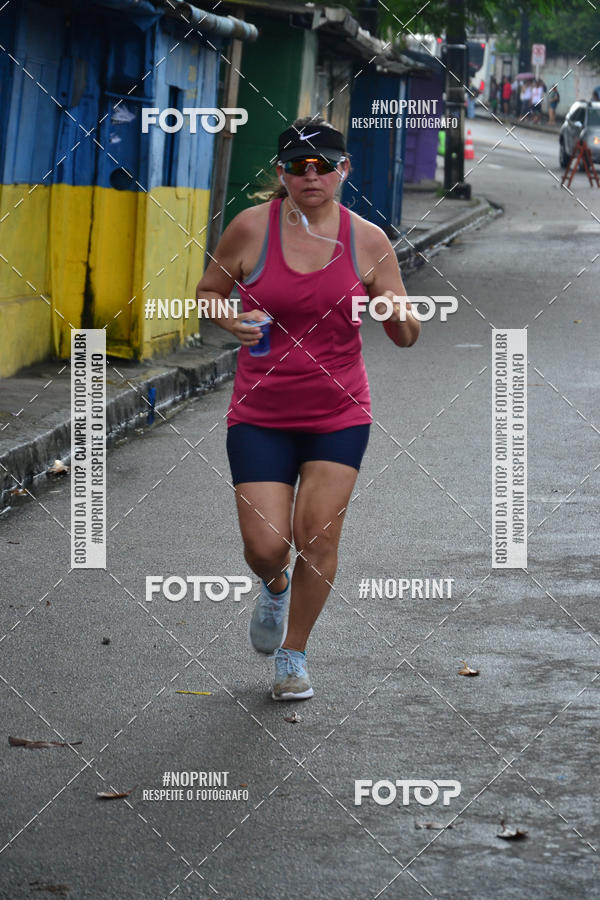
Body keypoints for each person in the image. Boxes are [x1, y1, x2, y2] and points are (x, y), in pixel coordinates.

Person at [195, 117, 420, 701]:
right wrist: (230, 320)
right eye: (298, 166)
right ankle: (275, 585)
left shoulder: (368, 240)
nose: (311, 176)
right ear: (282, 172)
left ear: (344, 170)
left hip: (338, 413)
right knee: (267, 546)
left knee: (316, 538)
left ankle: (292, 656)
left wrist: (396, 313)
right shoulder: (250, 228)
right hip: (260, 414)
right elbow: (209, 292)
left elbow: (406, 334)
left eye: (324, 166)